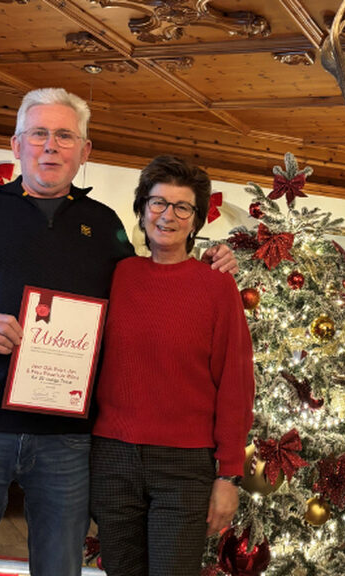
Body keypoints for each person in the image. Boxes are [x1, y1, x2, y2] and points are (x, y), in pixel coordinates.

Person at [0, 88, 237, 576]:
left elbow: (150, 283)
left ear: (85, 152)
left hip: (67, 440)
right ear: (17, 145)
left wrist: (212, 262)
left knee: (60, 568)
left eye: (64, 135)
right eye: (39, 133)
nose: (50, 146)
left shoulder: (104, 227)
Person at [90, 155, 255, 576]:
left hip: (184, 467)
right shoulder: (115, 275)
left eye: (183, 207)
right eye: (158, 202)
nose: (168, 215)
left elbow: (235, 385)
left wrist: (229, 476)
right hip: (113, 457)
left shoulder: (217, 287)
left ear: (196, 219)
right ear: (142, 208)